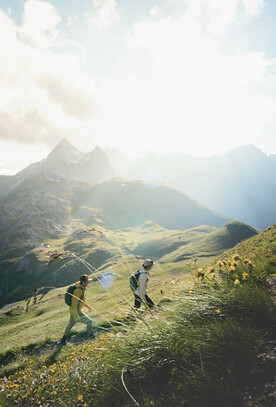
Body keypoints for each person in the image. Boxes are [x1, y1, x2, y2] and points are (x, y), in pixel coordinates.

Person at [60, 274, 93, 345]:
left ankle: (63, 339)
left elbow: (81, 301)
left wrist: (88, 307)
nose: (88, 283)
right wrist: (76, 315)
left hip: (74, 311)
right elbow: (74, 304)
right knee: (90, 322)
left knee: (71, 324)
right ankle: (91, 336)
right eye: (87, 281)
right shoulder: (78, 290)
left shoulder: (81, 287)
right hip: (76, 311)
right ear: (83, 282)